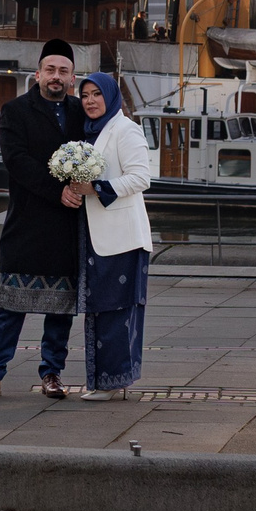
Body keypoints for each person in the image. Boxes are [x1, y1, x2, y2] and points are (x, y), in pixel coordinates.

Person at [0, 39, 81, 402]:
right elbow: (17, 162)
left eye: (63, 71)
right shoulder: (16, 111)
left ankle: (51, 375)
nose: (56, 77)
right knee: (9, 306)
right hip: (26, 225)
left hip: (67, 229)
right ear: (38, 74)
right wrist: (59, 191)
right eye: (50, 70)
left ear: (72, 78)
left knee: (60, 313)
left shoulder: (81, 112)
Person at [68, 73, 153, 400]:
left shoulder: (124, 129)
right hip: (95, 235)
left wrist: (97, 188)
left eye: (96, 95)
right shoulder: (91, 132)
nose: (90, 101)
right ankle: (107, 381)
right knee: (99, 309)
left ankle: (113, 382)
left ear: (110, 97)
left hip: (122, 238)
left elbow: (141, 177)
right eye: (85, 95)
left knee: (115, 311)